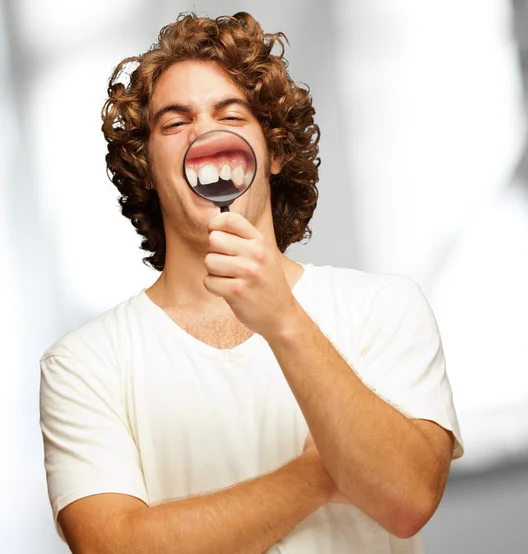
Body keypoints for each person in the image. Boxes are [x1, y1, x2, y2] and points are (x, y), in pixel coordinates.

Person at [39, 12, 464, 554]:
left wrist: (284, 320)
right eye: (174, 122)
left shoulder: (382, 308)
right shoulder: (83, 363)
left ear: (276, 153)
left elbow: (406, 500)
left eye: (230, 114)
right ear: (147, 166)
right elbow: (113, 547)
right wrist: (319, 474)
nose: (205, 133)